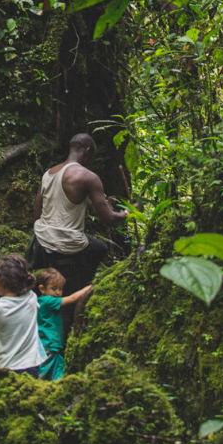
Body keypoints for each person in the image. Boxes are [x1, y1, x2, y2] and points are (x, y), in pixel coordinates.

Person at [31, 133, 127, 332]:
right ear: (88, 151)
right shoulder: (87, 176)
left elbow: (36, 214)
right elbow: (109, 219)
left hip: (42, 242)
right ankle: (60, 348)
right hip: (67, 245)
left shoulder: (48, 173)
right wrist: (128, 213)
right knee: (67, 306)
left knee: (97, 247)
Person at [31, 268, 92, 380]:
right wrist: (89, 288)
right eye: (54, 289)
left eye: (60, 289)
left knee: (58, 369)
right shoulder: (48, 301)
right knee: (45, 371)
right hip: (48, 344)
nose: (58, 293)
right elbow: (72, 298)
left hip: (51, 344)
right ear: (42, 289)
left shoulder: (40, 301)